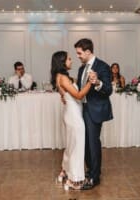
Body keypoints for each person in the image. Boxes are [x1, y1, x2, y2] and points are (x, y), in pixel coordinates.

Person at [50, 51, 92, 190]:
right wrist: (91, 82)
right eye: (68, 59)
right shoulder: (63, 78)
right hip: (74, 115)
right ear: (62, 62)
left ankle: (65, 171)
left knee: (71, 145)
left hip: (71, 112)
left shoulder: (60, 77)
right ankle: (75, 180)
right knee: (77, 147)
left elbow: (66, 95)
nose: (71, 61)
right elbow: (79, 95)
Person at [75, 38, 113, 190]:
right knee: (85, 144)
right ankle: (90, 171)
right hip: (82, 109)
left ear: (88, 51)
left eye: (79, 53)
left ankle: (94, 178)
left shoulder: (103, 66)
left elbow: (108, 90)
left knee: (93, 143)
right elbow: (80, 89)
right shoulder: (81, 69)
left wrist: (97, 82)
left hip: (95, 110)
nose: (78, 56)